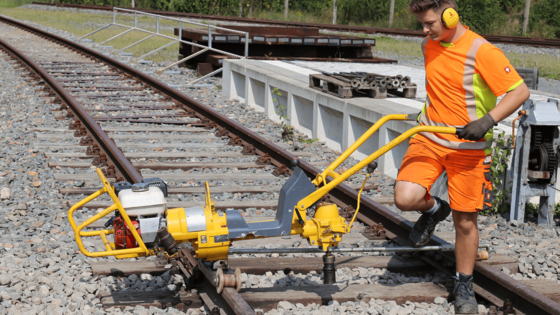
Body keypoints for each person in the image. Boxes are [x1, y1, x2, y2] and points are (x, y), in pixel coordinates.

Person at [394, 0, 530, 313]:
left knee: (466, 222)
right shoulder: (429, 45)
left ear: (450, 14)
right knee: (405, 197)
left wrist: (487, 120)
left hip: (468, 148)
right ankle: (434, 209)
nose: (425, 31)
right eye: (422, 25)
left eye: (430, 23)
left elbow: (519, 91)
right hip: (430, 137)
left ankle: (464, 285)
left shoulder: (481, 51)